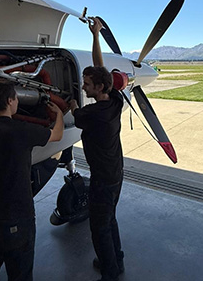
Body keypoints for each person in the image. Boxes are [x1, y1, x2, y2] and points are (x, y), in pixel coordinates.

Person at [0, 78, 63, 281]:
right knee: (20, 273)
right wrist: (59, 115)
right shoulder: (21, 131)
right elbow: (57, 135)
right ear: (11, 101)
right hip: (16, 215)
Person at [69, 17, 124, 281]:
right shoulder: (114, 100)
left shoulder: (90, 113)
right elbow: (100, 68)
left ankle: (110, 272)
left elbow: (76, 114)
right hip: (116, 174)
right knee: (110, 219)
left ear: (99, 88)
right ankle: (117, 260)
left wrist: (69, 106)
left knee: (99, 227)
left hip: (102, 180)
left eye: (86, 85)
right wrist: (95, 36)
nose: (83, 87)